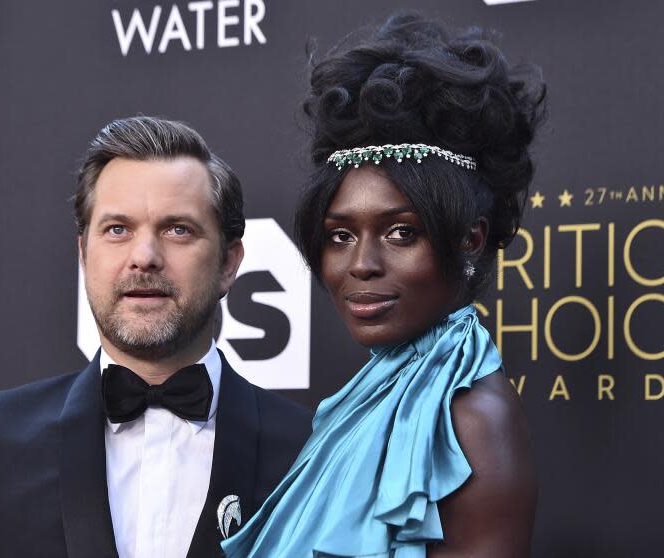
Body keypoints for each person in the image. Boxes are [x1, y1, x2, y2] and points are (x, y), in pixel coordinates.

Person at [0, 117, 312, 558]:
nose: (144, 257)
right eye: (118, 229)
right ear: (83, 254)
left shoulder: (310, 452)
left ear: (229, 263)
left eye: (178, 229)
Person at [222, 13, 545, 558]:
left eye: (401, 232)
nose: (362, 264)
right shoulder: (365, 401)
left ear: (470, 240)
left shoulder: (471, 420)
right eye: (340, 235)